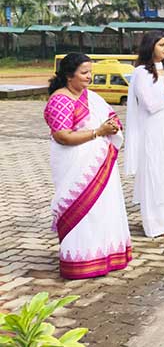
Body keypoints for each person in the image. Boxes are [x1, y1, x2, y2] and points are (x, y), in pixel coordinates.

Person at [44, 53, 131, 279]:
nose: (89, 77)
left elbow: (112, 118)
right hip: (77, 167)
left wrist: (112, 126)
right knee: (83, 211)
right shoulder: (60, 100)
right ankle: (80, 260)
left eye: (90, 72)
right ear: (68, 75)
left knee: (103, 210)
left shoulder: (91, 97)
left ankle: (106, 255)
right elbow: (63, 136)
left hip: (101, 163)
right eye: (84, 73)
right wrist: (98, 132)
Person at [125, 32, 164, 238]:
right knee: (155, 171)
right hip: (152, 129)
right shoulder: (141, 73)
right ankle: (155, 224)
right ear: (150, 46)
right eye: (161, 44)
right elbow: (150, 105)